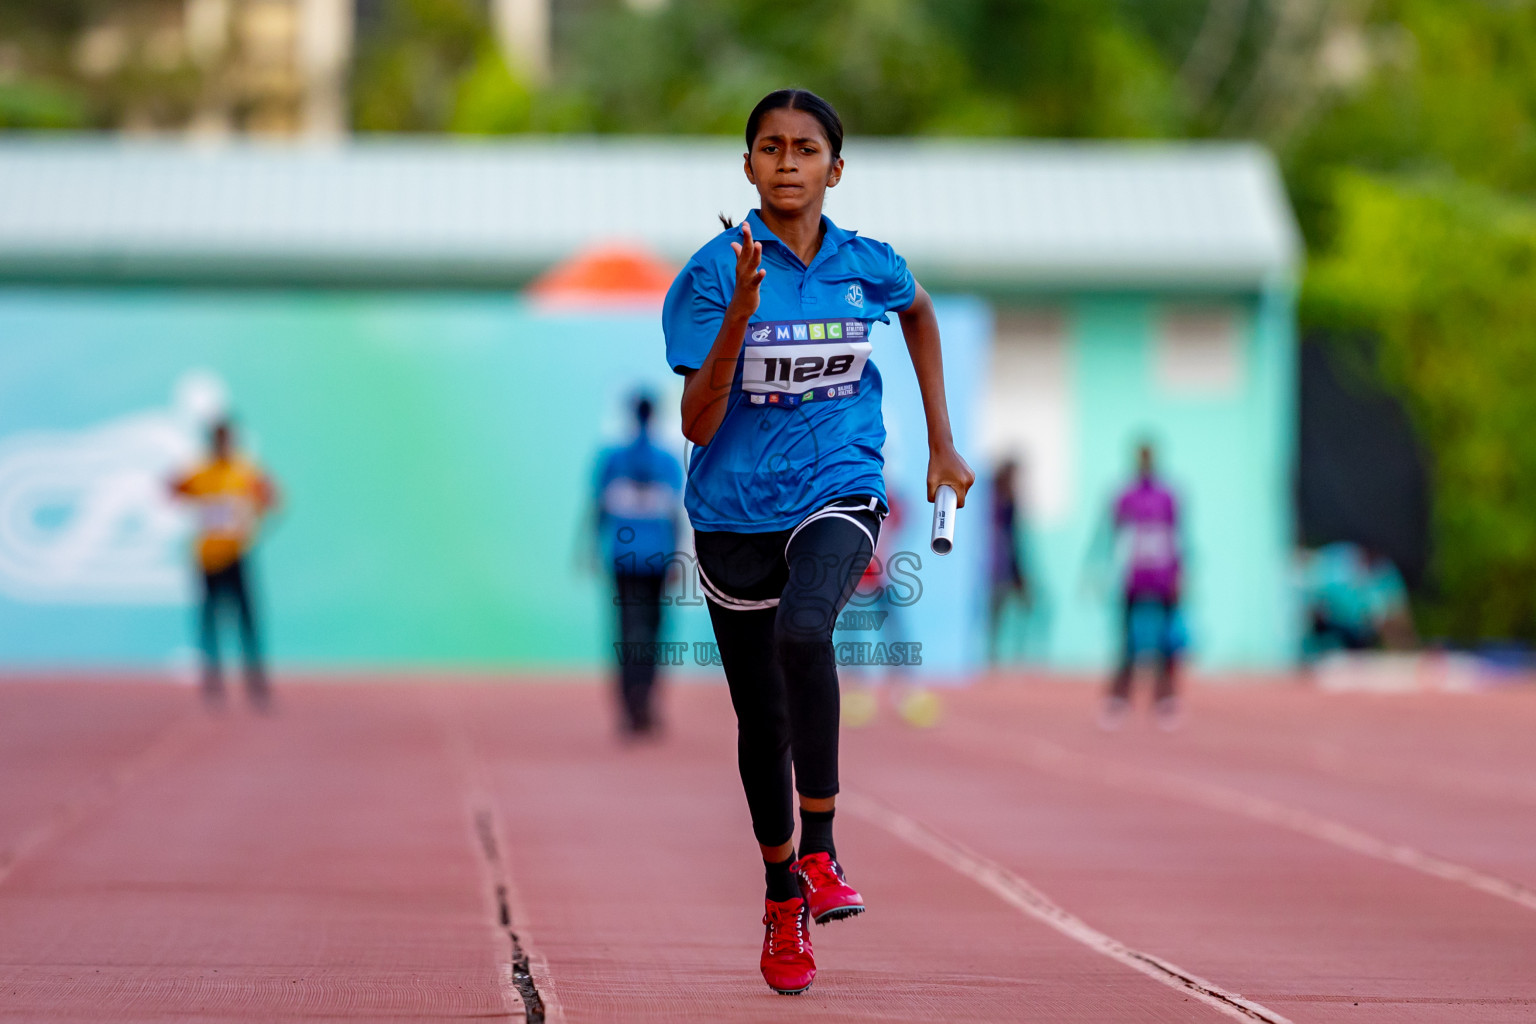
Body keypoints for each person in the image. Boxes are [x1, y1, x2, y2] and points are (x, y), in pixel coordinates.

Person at [663, 88, 974, 995]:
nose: (788, 161)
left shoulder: (865, 264)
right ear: (749, 166)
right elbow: (695, 420)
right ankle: (779, 894)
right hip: (732, 514)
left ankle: (824, 850)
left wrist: (943, 439)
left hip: (840, 484)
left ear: (835, 169)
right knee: (761, 722)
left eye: (806, 148)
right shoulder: (714, 273)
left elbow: (915, 310)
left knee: (808, 631)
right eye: (771, 147)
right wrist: (738, 317)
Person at [168, 419, 278, 710]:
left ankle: (256, 684)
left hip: (237, 554)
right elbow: (173, 488)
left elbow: (270, 496)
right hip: (207, 558)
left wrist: (254, 518)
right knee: (210, 623)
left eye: (226, 439)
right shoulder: (200, 470)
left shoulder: (243, 470)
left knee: (247, 622)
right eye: (218, 440)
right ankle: (212, 685)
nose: (223, 445)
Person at [592, 393, 684, 738]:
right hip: (657, 558)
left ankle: (629, 707)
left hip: (622, 557)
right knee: (653, 634)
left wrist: (590, 549)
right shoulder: (667, 459)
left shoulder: (612, 457)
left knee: (625, 633)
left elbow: (598, 508)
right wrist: (677, 557)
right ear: (655, 415)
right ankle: (645, 704)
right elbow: (675, 514)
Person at [1094, 441, 1183, 730]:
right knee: (1127, 641)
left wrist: (1179, 574)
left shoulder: (1167, 497)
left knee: (1166, 641)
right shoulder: (1125, 496)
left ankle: (1166, 699)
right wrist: (1100, 570)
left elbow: (1177, 537)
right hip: (1133, 578)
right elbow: (1108, 536)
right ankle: (1119, 698)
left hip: (1162, 577)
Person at [1302, 541, 1414, 658]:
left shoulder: (1387, 575)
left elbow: (1397, 622)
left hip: (1359, 641)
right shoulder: (1337, 558)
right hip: (1325, 632)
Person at [987, 458, 1032, 667]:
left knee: (1004, 609)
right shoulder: (999, 499)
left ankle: (1006, 652)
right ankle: (998, 654)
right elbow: (1011, 535)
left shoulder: (1000, 499)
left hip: (1004, 560)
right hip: (1000, 561)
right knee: (997, 609)